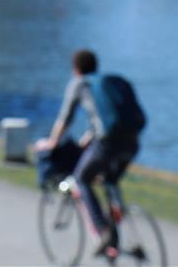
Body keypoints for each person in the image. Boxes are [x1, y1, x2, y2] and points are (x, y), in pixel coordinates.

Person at [36, 49, 146, 255]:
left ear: (75, 69)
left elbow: (65, 118)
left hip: (107, 145)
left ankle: (105, 231)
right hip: (132, 142)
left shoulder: (80, 83)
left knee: (81, 178)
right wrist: (88, 138)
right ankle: (115, 227)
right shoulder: (108, 83)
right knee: (109, 181)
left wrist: (51, 142)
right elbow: (104, 120)